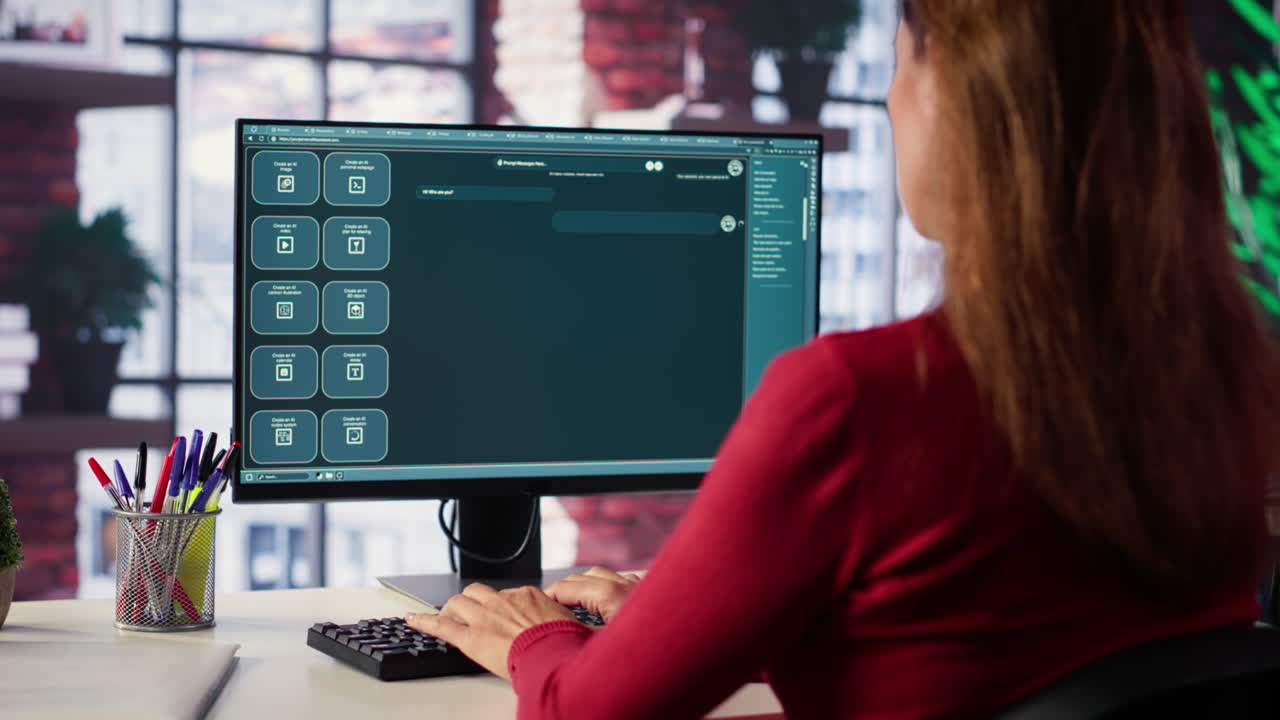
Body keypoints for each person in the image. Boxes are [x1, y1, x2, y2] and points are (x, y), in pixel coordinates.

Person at [406, 2, 1280, 718]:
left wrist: (532, 633)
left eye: (898, 67)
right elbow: (987, 651)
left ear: (961, 104)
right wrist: (688, 626)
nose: (893, 104)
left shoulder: (857, 398)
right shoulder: (1231, 384)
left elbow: (588, 716)